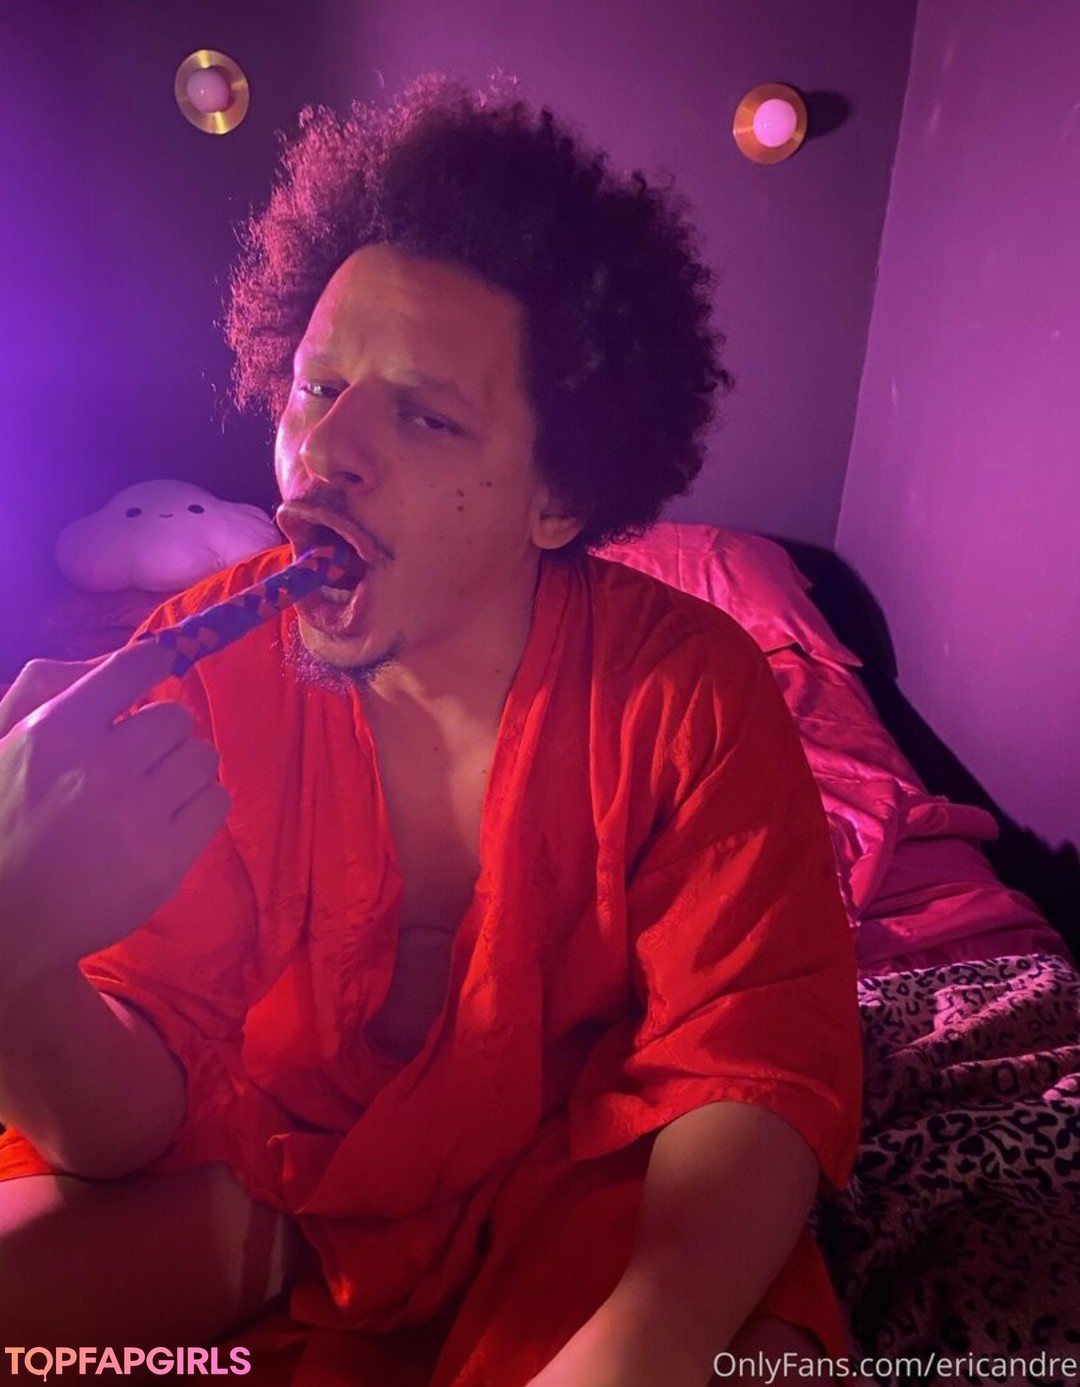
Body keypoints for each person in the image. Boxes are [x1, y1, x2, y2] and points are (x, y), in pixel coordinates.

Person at [0, 74, 862, 1386]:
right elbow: (119, 1133)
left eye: (424, 413)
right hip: (266, 1176)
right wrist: (14, 952)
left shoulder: (690, 693)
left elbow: (749, 1059)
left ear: (558, 496)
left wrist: (644, 1338)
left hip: (582, 1184)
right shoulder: (198, 676)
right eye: (316, 386)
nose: (324, 451)